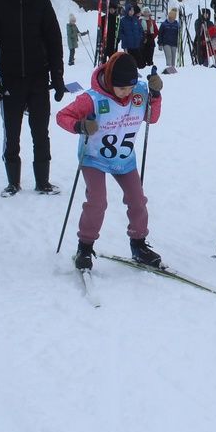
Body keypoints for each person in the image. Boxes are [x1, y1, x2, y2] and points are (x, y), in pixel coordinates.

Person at [55, 51, 164, 269]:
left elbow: (151, 118)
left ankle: (139, 244)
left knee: (137, 200)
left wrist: (156, 95)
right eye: (122, 88)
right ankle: (84, 248)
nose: (126, 93)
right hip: (94, 158)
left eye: (130, 87)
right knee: (97, 202)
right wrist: (80, 126)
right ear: (110, 81)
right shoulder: (91, 99)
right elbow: (62, 117)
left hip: (124, 159)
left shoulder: (140, 92)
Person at [0, 0, 66, 196]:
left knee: (41, 132)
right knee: (12, 132)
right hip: (11, 80)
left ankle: (43, 181)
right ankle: (13, 182)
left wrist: (57, 78)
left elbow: (54, 42)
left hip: (39, 79)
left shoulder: (41, 4)